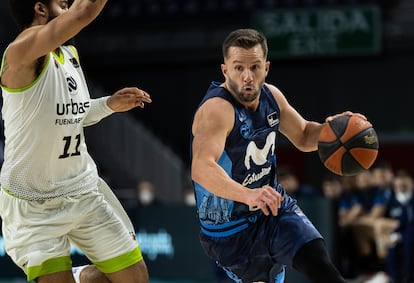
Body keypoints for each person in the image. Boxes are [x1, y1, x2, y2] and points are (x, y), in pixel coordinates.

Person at [190, 28, 359, 283]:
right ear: (225, 70)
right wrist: (249, 194)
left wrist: (333, 131)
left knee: (319, 262)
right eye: (238, 68)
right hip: (230, 231)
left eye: (255, 67)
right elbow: (201, 168)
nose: (247, 76)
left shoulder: (272, 96)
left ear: (266, 67)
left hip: (272, 208)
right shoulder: (217, 110)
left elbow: (302, 135)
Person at [0, 0, 152, 282]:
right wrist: (78, 12)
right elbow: (83, 12)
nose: (69, 6)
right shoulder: (19, 52)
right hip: (33, 205)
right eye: (61, 3)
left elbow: (71, 115)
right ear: (40, 9)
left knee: (136, 279)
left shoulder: (69, 54)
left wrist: (108, 104)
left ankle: (80, 277)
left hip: (81, 190)